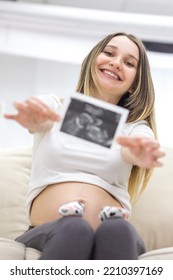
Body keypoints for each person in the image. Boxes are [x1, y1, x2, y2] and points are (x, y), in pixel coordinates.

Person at [4, 32, 165, 260]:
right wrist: (34, 116)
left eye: (129, 63)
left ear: (134, 85)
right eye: (109, 53)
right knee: (74, 228)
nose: (116, 62)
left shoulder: (134, 128)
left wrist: (141, 150)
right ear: (92, 61)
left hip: (112, 233)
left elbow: (136, 146)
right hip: (51, 232)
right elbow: (42, 117)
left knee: (118, 230)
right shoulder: (55, 106)